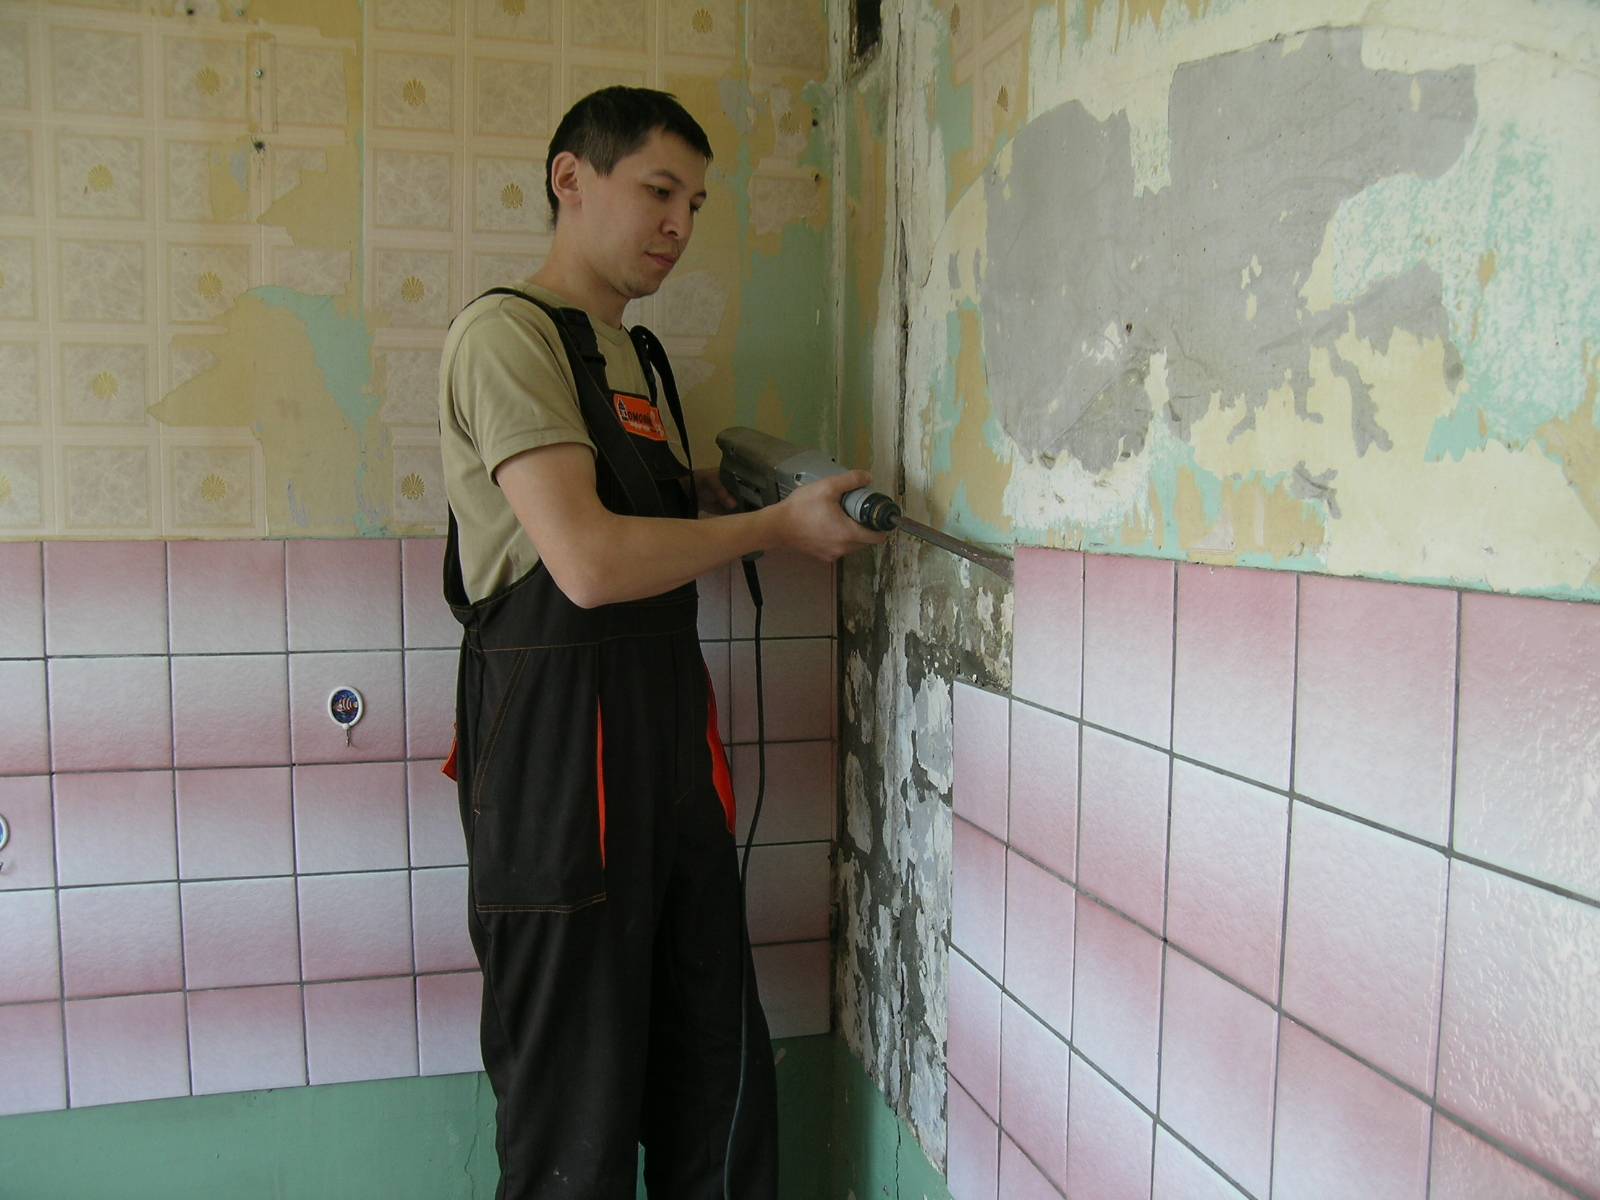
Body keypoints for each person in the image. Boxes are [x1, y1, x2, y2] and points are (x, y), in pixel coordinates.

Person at [437, 86, 885, 1199]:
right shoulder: (506, 336)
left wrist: (722, 488)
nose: (680, 225)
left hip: (667, 765)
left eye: (695, 203)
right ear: (571, 180)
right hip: (557, 779)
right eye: (657, 192)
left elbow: (629, 508)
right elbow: (587, 561)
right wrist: (776, 529)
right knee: (573, 1129)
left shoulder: (635, 357)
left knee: (715, 1091)